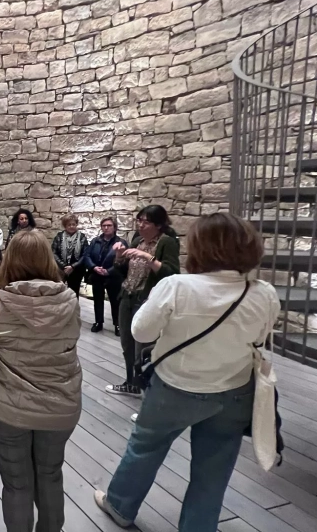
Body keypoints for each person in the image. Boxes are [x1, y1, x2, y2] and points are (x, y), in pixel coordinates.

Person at [95, 213, 280, 532]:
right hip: (234, 391)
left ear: (199, 247)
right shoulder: (263, 292)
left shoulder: (176, 286)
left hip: (175, 387)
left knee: (145, 448)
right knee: (215, 468)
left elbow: (141, 332)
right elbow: (261, 337)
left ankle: (120, 505)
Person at [0, 228, 82, 532]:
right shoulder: (70, 300)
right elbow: (72, 338)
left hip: (7, 405)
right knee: (50, 475)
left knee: (16, 483)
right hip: (61, 403)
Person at [106, 205, 181, 397]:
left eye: (145, 222)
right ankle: (131, 383)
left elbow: (172, 273)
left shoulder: (167, 242)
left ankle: (147, 390)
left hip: (146, 300)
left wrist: (148, 257)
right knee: (127, 345)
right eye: (139, 220)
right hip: (127, 296)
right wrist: (119, 257)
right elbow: (123, 271)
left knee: (143, 347)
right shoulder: (137, 240)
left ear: (158, 225)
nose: (140, 225)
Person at [84, 217, 127, 335]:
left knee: (115, 301)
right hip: (97, 275)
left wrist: (109, 271)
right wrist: (94, 267)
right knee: (97, 300)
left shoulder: (121, 242)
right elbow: (87, 256)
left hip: (113, 276)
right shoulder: (95, 241)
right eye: (104, 225)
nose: (106, 228)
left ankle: (117, 325)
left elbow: (123, 260)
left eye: (109, 225)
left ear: (115, 227)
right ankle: (98, 322)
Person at [51, 214, 89, 296]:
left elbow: (85, 254)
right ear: (65, 226)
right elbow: (53, 252)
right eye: (69, 225)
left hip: (77, 270)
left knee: (74, 294)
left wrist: (72, 266)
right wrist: (64, 266)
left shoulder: (82, 237)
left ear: (76, 225)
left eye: (73, 224)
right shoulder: (59, 237)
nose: (71, 226)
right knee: (58, 292)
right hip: (61, 269)